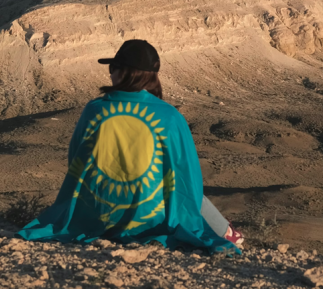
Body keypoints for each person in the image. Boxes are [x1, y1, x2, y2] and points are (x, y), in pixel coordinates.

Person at [18, 39, 244, 251]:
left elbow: (76, 161)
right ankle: (228, 234)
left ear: (124, 72)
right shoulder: (170, 116)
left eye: (112, 68)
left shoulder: (94, 110)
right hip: (150, 221)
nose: (111, 74)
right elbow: (186, 175)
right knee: (188, 190)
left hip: (96, 213)